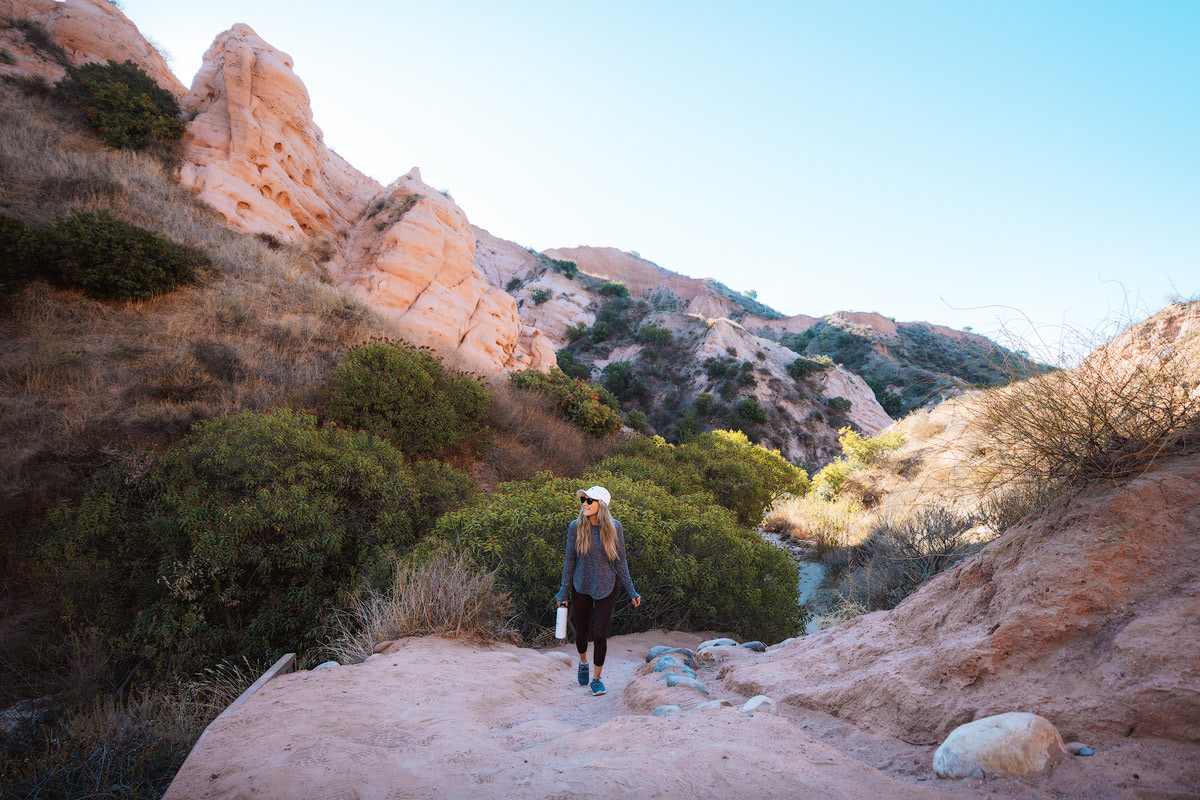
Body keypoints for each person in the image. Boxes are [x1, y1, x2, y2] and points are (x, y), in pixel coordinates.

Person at [555, 485, 641, 696]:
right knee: (582, 632)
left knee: (600, 633)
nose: (584, 503)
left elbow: (621, 562)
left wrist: (632, 591)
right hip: (581, 584)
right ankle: (583, 663)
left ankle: (596, 679)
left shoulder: (615, 528)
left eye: (589, 500)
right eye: (583, 500)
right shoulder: (575, 527)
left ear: (601, 504)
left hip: (607, 585)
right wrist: (562, 592)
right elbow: (569, 561)